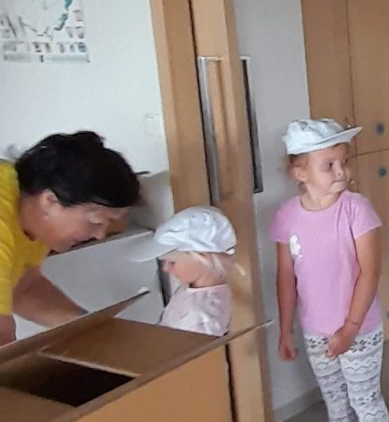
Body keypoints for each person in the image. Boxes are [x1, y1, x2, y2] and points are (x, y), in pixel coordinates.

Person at [271, 118, 389, 422]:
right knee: (336, 400)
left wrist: (350, 328)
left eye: (344, 162)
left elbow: (370, 273)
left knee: (364, 400)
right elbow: (286, 276)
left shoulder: (357, 209)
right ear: (300, 173)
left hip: (359, 329)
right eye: (329, 165)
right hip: (315, 330)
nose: (341, 172)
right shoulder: (287, 216)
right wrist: (286, 329)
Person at [0, 131, 140, 346]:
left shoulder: (30, 209)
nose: (100, 235)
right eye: (95, 221)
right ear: (49, 201)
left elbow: (24, 288)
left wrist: (92, 330)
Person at [130, 205, 236, 336]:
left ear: (202, 258)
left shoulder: (201, 318)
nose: (166, 268)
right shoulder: (195, 292)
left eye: (173, 262)